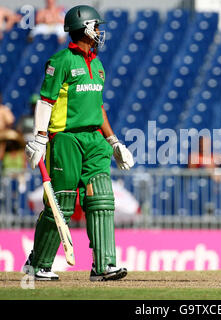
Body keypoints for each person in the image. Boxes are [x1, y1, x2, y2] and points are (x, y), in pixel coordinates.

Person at [23, 5, 134, 281]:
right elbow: (46, 101)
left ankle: (103, 266)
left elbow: (98, 108)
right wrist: (39, 137)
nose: (98, 32)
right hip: (66, 138)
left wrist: (114, 141)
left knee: (102, 198)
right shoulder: (60, 61)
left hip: (95, 140)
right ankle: (38, 264)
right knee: (62, 203)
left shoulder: (97, 65)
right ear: (83, 28)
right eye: (96, 27)